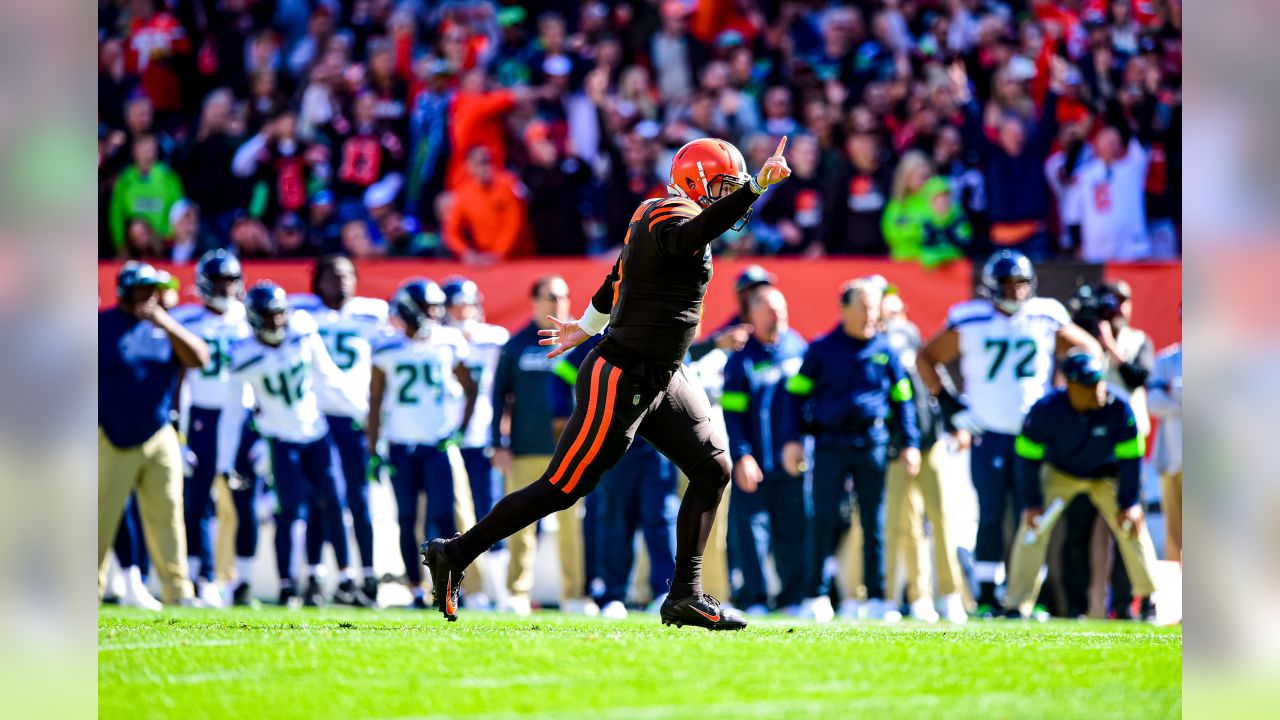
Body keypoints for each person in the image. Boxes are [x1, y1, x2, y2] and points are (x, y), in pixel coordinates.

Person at [422, 136, 792, 630]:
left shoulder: (660, 214)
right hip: (621, 375)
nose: (728, 195)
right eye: (722, 185)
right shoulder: (668, 215)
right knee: (561, 488)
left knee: (712, 469)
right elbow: (689, 236)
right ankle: (454, 552)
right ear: (697, 181)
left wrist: (586, 323)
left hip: (661, 373)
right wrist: (753, 188)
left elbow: (619, 274)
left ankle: (685, 595)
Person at [916, 250, 1099, 616]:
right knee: (991, 512)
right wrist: (950, 404)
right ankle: (986, 595)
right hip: (989, 431)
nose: (1016, 292)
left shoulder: (1044, 317)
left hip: (1032, 433)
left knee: (1030, 514)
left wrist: (1063, 396)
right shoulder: (971, 319)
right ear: (992, 287)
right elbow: (926, 358)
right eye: (1008, 284)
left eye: (1021, 284)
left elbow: (1088, 350)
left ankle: (1027, 596)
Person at [779, 279, 921, 622]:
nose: (871, 315)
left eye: (874, 308)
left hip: (872, 444)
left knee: (874, 522)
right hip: (829, 445)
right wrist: (792, 439)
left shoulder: (887, 350)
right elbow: (794, 397)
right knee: (824, 518)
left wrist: (911, 442)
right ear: (844, 309)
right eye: (864, 307)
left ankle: (876, 598)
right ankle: (815, 595)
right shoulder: (822, 348)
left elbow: (903, 400)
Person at [227, 282, 372, 608]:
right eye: (269, 316)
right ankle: (287, 584)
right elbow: (235, 409)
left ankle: (346, 577)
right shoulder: (243, 354)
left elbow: (329, 377)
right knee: (289, 510)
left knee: (334, 502)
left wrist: (361, 412)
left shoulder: (303, 332)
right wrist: (228, 459)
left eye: (280, 315)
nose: (277, 323)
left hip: (315, 433)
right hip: (279, 438)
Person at [1004, 352, 1160, 619]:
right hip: (1060, 474)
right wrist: (1031, 504)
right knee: (1032, 527)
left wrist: (1129, 503)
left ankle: (1149, 599)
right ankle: (1017, 604)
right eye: (1089, 384)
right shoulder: (1046, 410)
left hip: (1104, 476)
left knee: (1131, 525)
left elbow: (1131, 461)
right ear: (1071, 386)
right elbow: (1027, 459)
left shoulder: (1119, 410)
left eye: (1100, 381)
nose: (1098, 389)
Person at [99, 262, 211, 606]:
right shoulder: (101, 325)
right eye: (142, 289)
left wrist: (164, 321)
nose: (149, 296)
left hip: (159, 432)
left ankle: (178, 591)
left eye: (153, 289)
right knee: (100, 518)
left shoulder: (167, 326)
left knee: (168, 514)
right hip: (109, 433)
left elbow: (199, 359)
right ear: (124, 291)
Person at [367, 279, 480, 609]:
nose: (433, 314)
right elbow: (375, 401)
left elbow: (471, 388)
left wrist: (460, 430)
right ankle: (415, 587)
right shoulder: (386, 347)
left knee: (445, 516)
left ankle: (449, 586)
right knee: (406, 518)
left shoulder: (449, 341)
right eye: (427, 308)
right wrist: (372, 448)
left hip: (437, 444)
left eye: (436, 308)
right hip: (401, 444)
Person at [486, 276, 595, 617]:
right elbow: (498, 397)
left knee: (571, 526)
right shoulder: (515, 344)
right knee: (519, 524)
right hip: (523, 449)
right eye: (551, 297)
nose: (559, 303)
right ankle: (517, 593)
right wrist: (497, 443)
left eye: (564, 296)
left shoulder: (582, 343)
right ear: (534, 301)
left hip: (570, 451)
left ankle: (574, 595)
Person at [289, 256, 385, 603]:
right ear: (318, 280)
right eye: (332, 276)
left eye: (347, 276)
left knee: (359, 500)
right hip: (314, 418)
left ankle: (368, 576)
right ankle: (315, 577)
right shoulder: (301, 313)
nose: (341, 282)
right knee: (318, 499)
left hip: (354, 419)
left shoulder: (373, 314)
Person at [171, 250, 252, 607]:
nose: (226, 288)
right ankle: (200, 577)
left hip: (243, 415)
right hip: (203, 414)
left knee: (244, 498)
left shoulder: (251, 317)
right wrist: (178, 427)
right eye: (219, 281)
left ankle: (244, 581)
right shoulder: (186, 319)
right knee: (198, 498)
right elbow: (176, 376)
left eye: (231, 280)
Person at [880, 292, 966, 624]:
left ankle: (951, 594)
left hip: (930, 441)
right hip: (898, 448)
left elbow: (932, 381)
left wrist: (954, 421)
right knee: (906, 525)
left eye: (897, 310)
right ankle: (915, 596)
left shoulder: (909, 335)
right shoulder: (878, 346)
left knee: (942, 518)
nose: (894, 318)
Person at [721, 286, 808, 614]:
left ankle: (792, 598)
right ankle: (754, 599)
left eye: (782, 308)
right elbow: (734, 415)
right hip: (753, 462)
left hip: (791, 464)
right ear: (753, 316)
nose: (778, 316)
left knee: (793, 530)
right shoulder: (741, 360)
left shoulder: (799, 349)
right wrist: (741, 455)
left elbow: (809, 404)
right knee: (751, 533)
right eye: (770, 310)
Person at [441, 277, 510, 539]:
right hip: (446, 437)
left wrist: (502, 432)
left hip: (482, 435)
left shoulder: (494, 339)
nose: (461, 312)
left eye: (466, 305)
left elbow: (508, 391)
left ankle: (492, 576)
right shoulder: (436, 343)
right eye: (454, 306)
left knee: (487, 511)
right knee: (447, 515)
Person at [442, 146, 533, 263]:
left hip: (518, 258)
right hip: (485, 259)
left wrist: (499, 253)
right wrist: (466, 253)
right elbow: (451, 231)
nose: (484, 168)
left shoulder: (508, 185)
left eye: (487, 162)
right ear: (468, 167)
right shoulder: (464, 194)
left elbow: (514, 223)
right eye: (478, 163)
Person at [109, 135, 185, 256]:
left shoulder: (169, 178)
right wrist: (120, 243)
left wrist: (168, 237)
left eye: (151, 148)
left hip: (164, 247)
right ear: (134, 151)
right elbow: (116, 214)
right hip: (132, 249)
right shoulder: (125, 180)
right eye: (143, 147)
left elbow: (179, 211)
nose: (148, 152)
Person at [1147, 339, 1182, 564]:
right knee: (1175, 533)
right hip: (1174, 457)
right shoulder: (1168, 358)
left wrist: (1176, 392)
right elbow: (1154, 402)